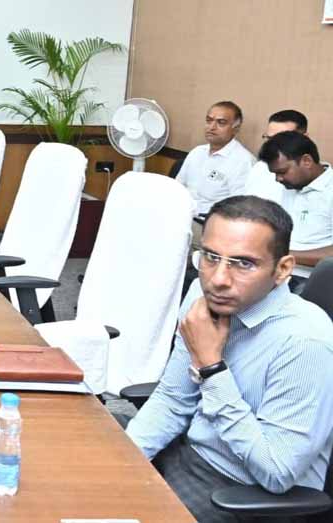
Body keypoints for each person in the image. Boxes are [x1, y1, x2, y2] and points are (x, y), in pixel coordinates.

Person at [126, 195, 333, 523]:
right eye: (210, 257)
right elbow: (173, 399)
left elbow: (277, 472)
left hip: (241, 491)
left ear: (282, 269)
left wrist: (212, 369)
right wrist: (121, 459)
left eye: (243, 263)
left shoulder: (306, 342)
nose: (218, 279)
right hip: (185, 454)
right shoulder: (204, 296)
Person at [256, 131, 333, 272]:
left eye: (282, 172)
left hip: (311, 277)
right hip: (276, 270)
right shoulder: (287, 186)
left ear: (306, 161)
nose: (278, 179)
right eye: (275, 173)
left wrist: (284, 254)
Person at [176, 101, 255, 215]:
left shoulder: (243, 161)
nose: (212, 127)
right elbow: (178, 187)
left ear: (236, 128)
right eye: (209, 121)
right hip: (181, 212)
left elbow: (239, 207)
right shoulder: (197, 152)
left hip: (208, 219)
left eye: (221, 123)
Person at [242, 110, 309, 203]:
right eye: (269, 138)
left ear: (304, 137)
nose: (273, 145)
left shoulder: (309, 173)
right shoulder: (260, 167)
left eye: (282, 138)